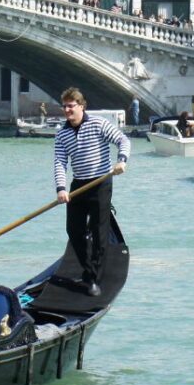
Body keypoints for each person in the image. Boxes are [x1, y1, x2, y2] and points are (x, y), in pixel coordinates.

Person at [53, 87, 129, 297]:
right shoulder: (62, 134)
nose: (67, 110)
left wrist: (121, 160)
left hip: (101, 183)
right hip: (78, 185)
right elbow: (60, 163)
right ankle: (88, 267)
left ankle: (93, 277)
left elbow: (123, 140)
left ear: (81, 106)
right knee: (73, 230)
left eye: (71, 106)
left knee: (98, 231)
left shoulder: (98, 124)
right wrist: (61, 189)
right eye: (65, 106)